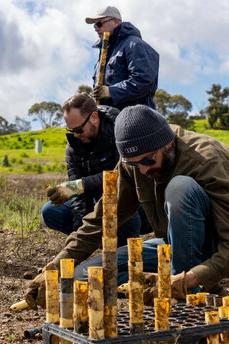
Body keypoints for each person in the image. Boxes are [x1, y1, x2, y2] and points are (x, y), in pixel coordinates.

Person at [25, 105, 229, 309]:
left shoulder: (207, 160)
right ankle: (193, 285)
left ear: (167, 144)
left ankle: (186, 299)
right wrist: (53, 269)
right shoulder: (135, 165)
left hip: (217, 247)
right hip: (174, 246)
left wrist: (184, 281)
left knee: (180, 187)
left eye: (148, 160)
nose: (143, 169)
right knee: (84, 276)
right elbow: (101, 219)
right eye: (133, 163)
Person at [43, 93, 150, 246]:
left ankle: (124, 252)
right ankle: (98, 242)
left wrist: (80, 185)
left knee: (115, 206)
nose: (75, 135)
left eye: (79, 129)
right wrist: (80, 239)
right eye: (71, 130)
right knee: (50, 211)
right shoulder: (73, 147)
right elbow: (78, 197)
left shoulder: (121, 132)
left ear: (94, 117)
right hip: (97, 200)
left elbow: (122, 178)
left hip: (133, 201)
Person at [86, 6, 159, 110]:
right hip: (109, 119)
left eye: (99, 24)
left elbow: (143, 81)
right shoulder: (103, 53)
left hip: (135, 118)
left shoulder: (134, 45)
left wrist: (110, 92)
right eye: (94, 26)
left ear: (116, 21)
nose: (96, 29)